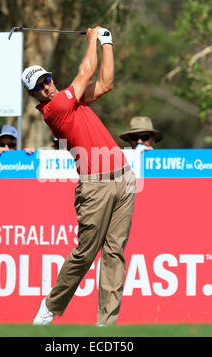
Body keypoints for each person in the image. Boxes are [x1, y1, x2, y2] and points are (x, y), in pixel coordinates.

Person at [22, 26, 136, 326]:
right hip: (95, 184)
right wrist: (92, 40)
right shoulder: (54, 109)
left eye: (46, 79)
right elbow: (86, 70)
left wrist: (107, 42)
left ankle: (105, 325)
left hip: (123, 176)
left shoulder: (71, 100)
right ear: (34, 95)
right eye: (39, 86)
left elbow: (106, 82)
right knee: (86, 253)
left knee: (115, 252)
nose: (46, 86)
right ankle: (49, 307)